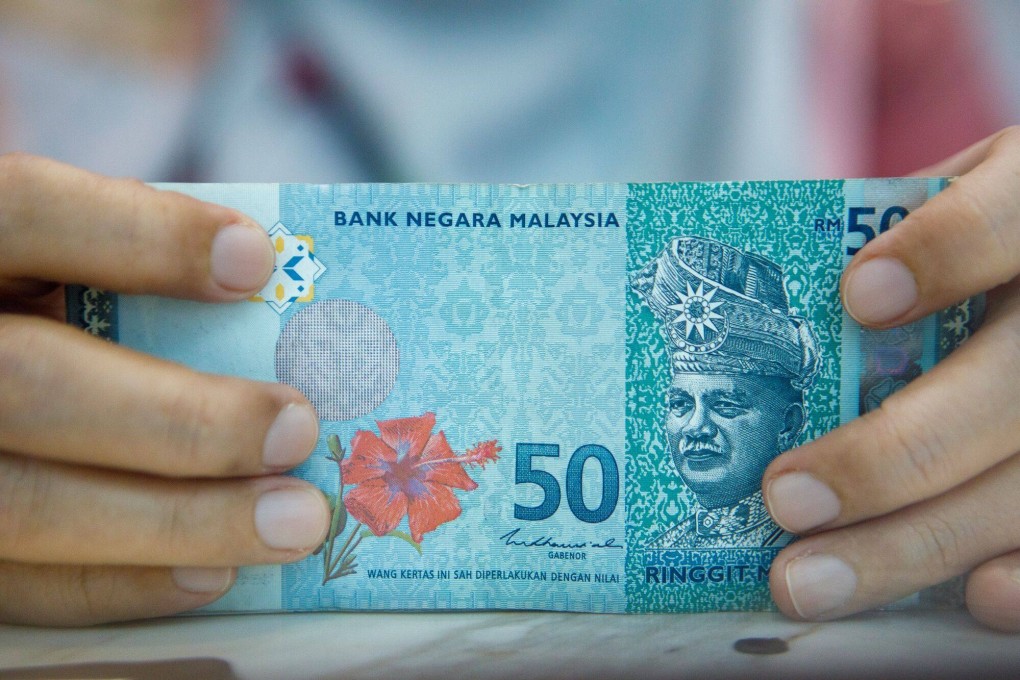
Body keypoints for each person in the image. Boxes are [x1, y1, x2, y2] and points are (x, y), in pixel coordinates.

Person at [2, 1, 1020, 633]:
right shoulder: (62, 47)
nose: (694, 423)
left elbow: (960, 265)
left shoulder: (873, 24)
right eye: (683, 393)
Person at [633, 236, 819, 550]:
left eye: (725, 405)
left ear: (788, 424)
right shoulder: (663, 549)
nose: (695, 427)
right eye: (680, 404)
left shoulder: (812, 544)